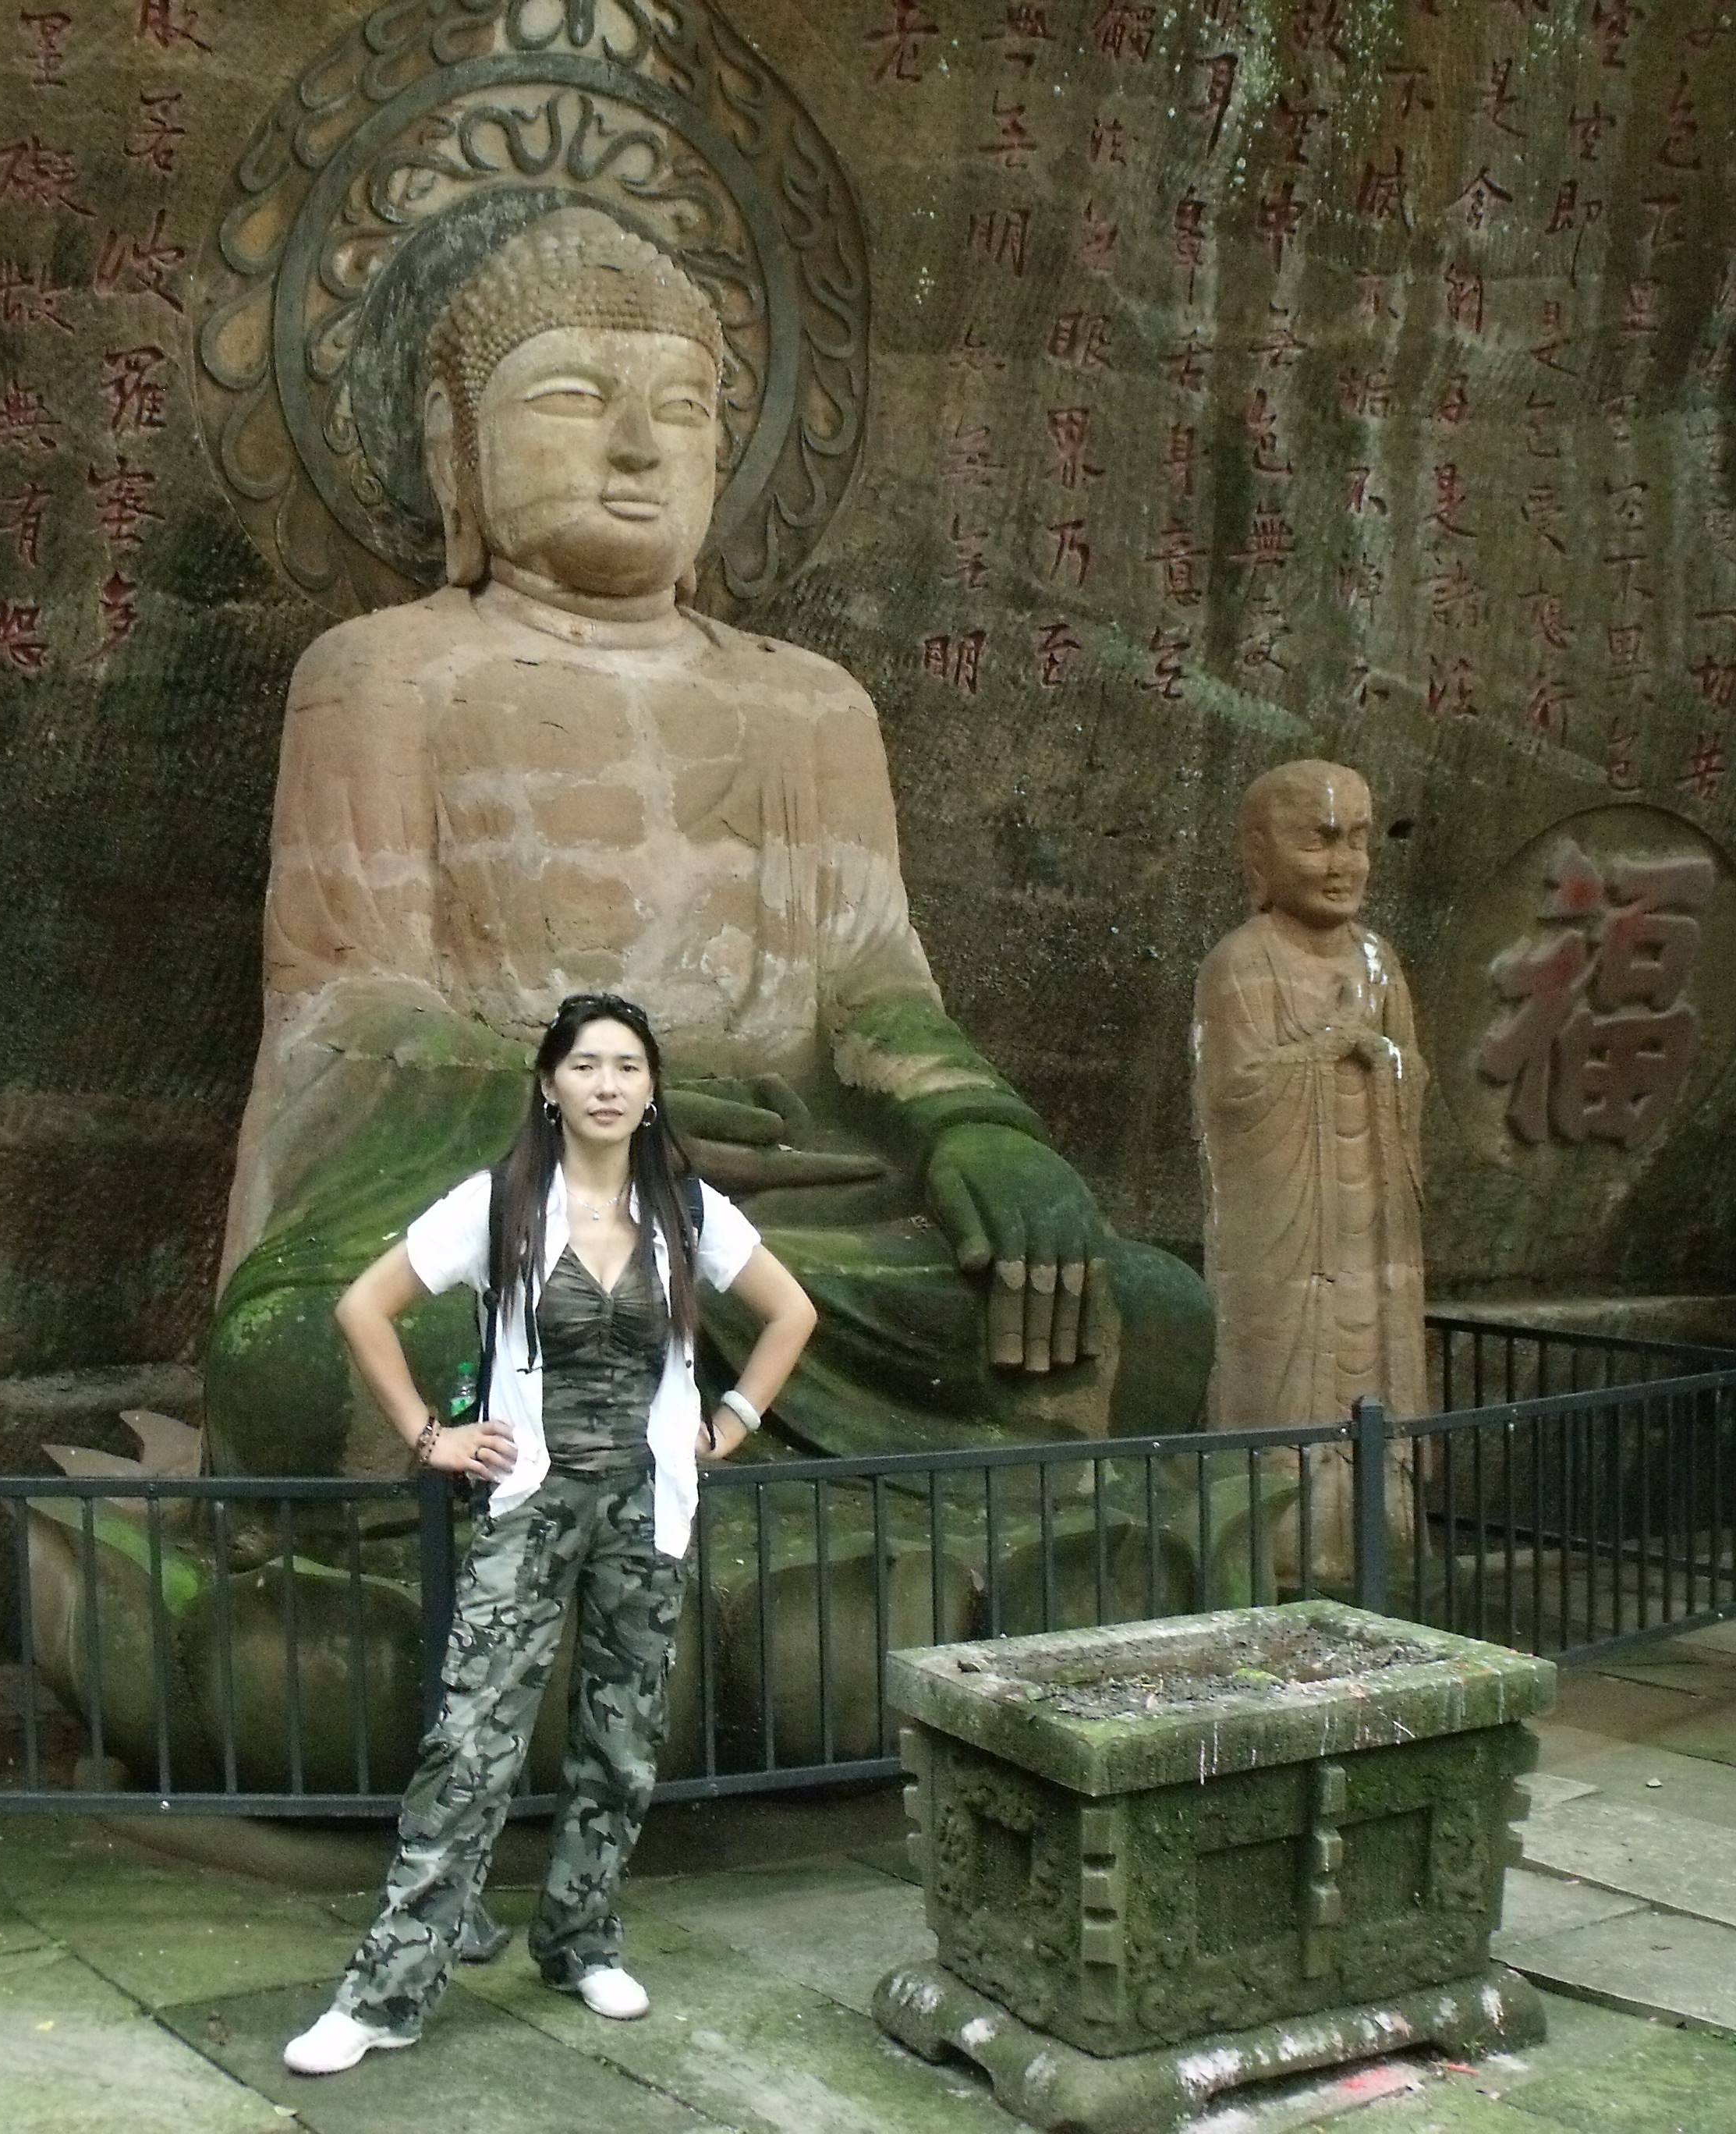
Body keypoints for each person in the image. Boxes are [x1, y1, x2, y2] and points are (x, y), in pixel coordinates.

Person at [209, 204, 1207, 1489]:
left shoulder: (810, 703)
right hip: (515, 1208)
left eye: (681, 411)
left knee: (1145, 1317)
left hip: (798, 1215)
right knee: (305, 1364)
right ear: (457, 452)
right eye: (573, 399)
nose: (636, 446)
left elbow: (874, 986)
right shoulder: (382, 675)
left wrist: (978, 1130)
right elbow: (345, 1011)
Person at [282, 992, 816, 2076]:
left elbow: (791, 1312)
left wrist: (732, 1420)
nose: (607, 1085)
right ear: (549, 1084)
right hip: (531, 1502)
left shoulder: (686, 1208)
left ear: (652, 1089)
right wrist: (429, 1434)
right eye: (585, 1065)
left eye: (627, 1066)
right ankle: (386, 1992)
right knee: (473, 1736)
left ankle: (581, 1941)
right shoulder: (501, 1203)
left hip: (646, 1507)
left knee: (622, 1736)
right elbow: (363, 1306)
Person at [1192, 760, 1426, 1579]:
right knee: (1285, 1378)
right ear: (1261, 855)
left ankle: (1385, 1534)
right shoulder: (1243, 963)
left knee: (1381, 1365)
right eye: (1320, 841)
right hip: (1287, 1237)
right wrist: (1326, 1052)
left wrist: (1383, 1060)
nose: (1344, 864)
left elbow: (1414, 1073)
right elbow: (1234, 1094)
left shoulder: (1379, 960)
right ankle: (1284, 1545)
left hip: (1375, 1234)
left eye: (1357, 841)